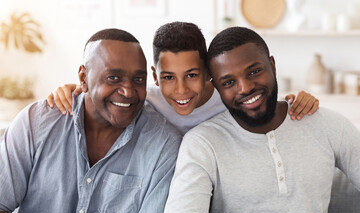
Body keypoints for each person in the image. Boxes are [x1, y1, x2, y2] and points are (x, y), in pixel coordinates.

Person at [159, 27, 360, 213]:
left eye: (254, 71)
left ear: (272, 65)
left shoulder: (326, 124)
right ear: (216, 86)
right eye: (229, 82)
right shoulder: (202, 143)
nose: (245, 88)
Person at [0, 28, 182, 213]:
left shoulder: (163, 144)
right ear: (83, 78)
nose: (128, 91)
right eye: (113, 77)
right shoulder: (36, 122)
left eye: (138, 80)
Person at [47, 22, 319, 135]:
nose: (180, 90)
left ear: (208, 74)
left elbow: (260, 104)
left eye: (191, 75)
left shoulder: (228, 101)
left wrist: (296, 99)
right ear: (154, 76)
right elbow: (102, 93)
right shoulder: (144, 100)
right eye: (168, 77)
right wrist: (74, 90)